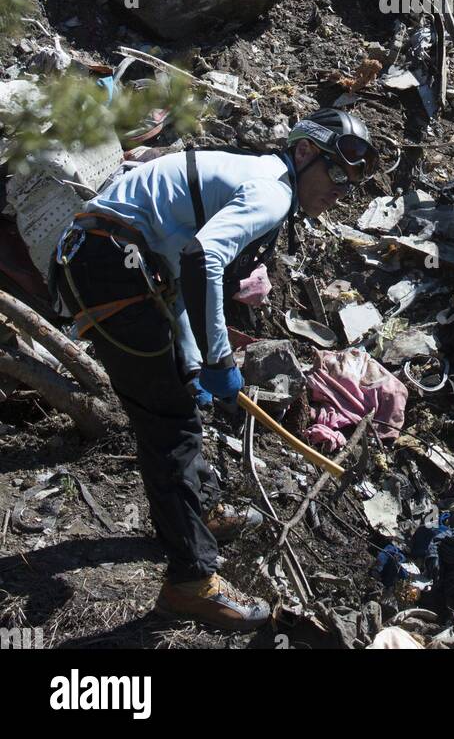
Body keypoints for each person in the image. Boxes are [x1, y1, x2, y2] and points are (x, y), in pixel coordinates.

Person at [49, 108, 379, 630]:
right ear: (303, 153)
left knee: (174, 400)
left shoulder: (254, 177)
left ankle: (195, 514)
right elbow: (204, 259)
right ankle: (191, 582)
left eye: (352, 182)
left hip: (107, 263)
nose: (341, 190)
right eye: (336, 172)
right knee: (169, 424)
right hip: (108, 266)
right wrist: (220, 361)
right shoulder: (273, 190)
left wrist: (194, 360)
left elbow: (180, 275)